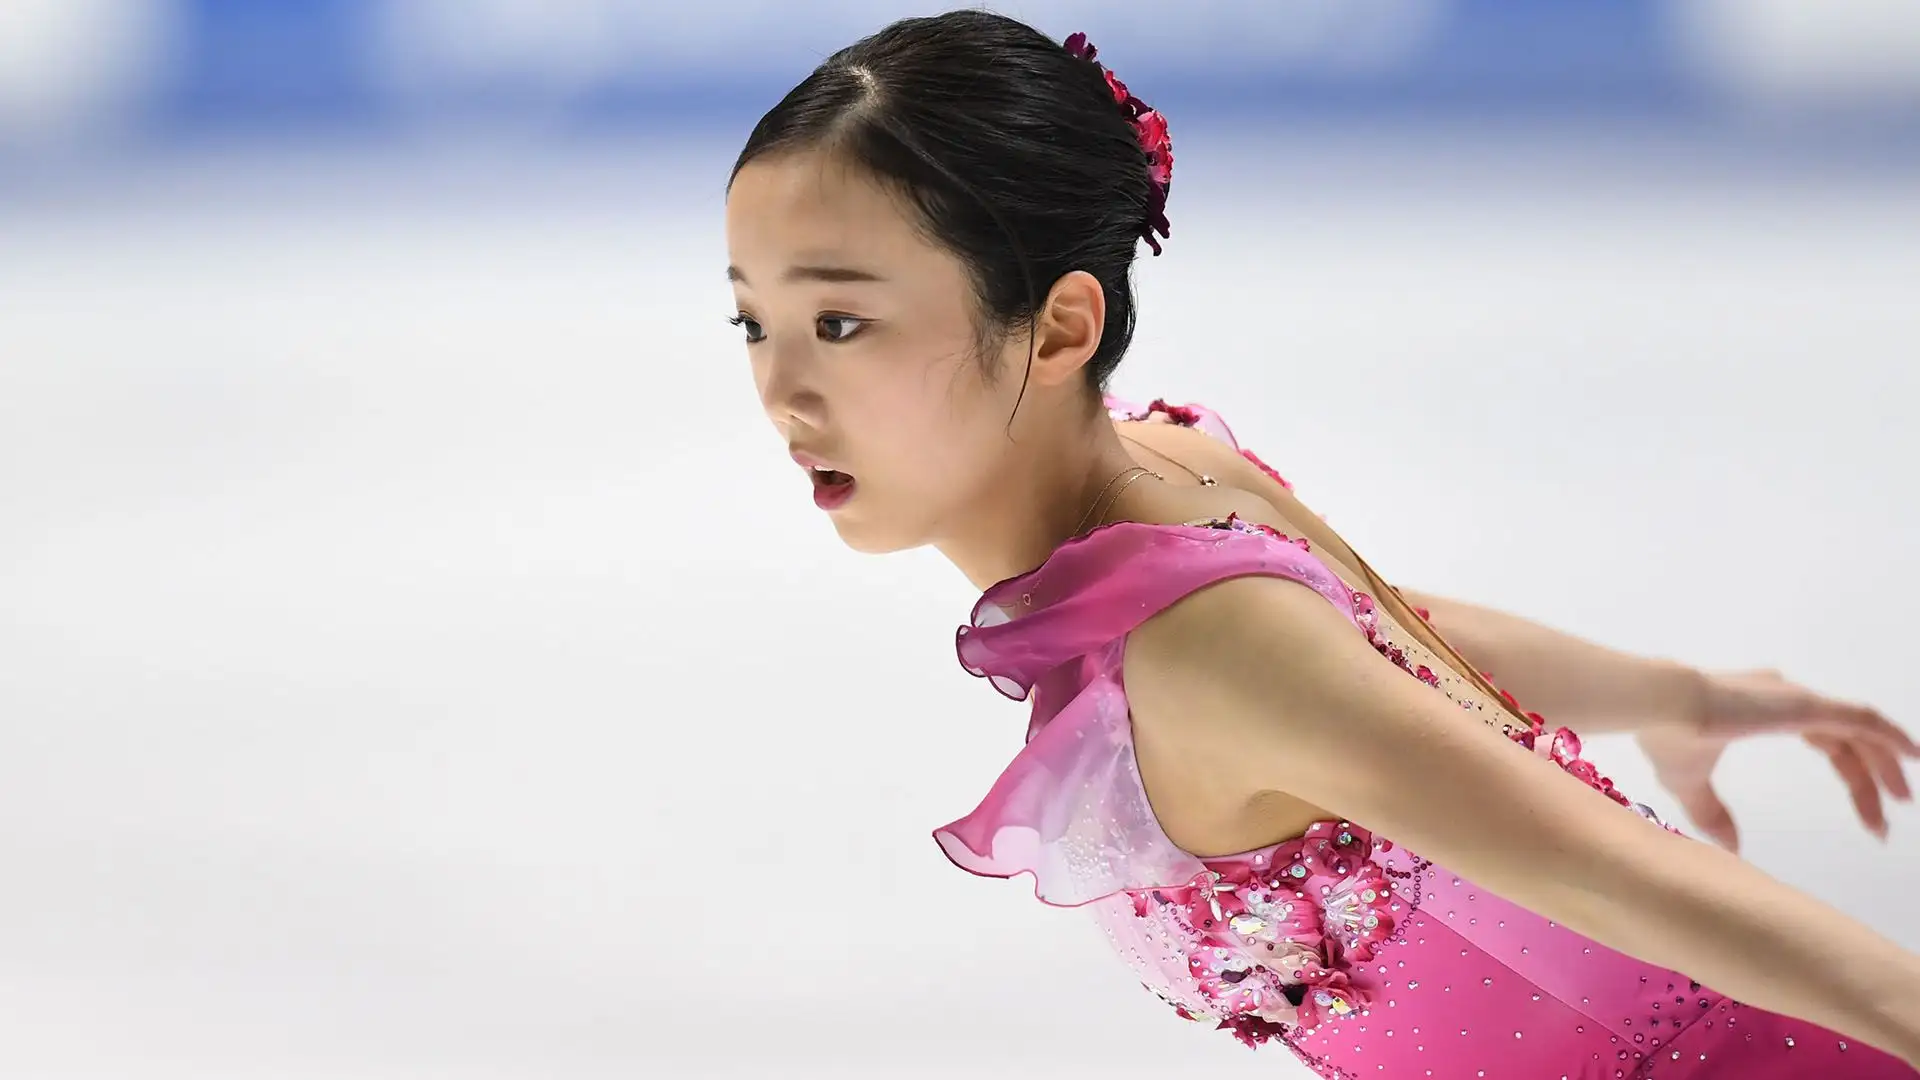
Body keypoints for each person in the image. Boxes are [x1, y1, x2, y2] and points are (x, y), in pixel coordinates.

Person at [721, 10, 1920, 1076]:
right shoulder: (1170, 473)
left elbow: (1631, 878)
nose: (782, 393)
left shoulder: (1199, 649)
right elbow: (1387, 646)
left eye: (841, 322)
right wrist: (1678, 694)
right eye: (754, 322)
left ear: (1059, 328)